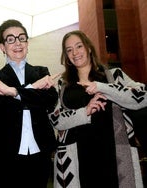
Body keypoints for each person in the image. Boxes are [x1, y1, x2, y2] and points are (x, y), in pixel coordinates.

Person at [48, 30, 147, 188]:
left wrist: (102, 87)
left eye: (79, 46)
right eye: (69, 50)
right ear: (66, 55)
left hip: (114, 156)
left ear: (88, 48)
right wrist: (84, 111)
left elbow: (142, 98)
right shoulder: (62, 85)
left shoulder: (114, 76)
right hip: (77, 159)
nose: (75, 53)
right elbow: (56, 120)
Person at [0, 19, 59, 188]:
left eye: (21, 38)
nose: (17, 43)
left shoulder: (42, 71)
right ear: (2, 47)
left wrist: (13, 92)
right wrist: (34, 89)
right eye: (10, 39)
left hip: (40, 151)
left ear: (27, 43)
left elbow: (49, 101)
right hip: (6, 154)